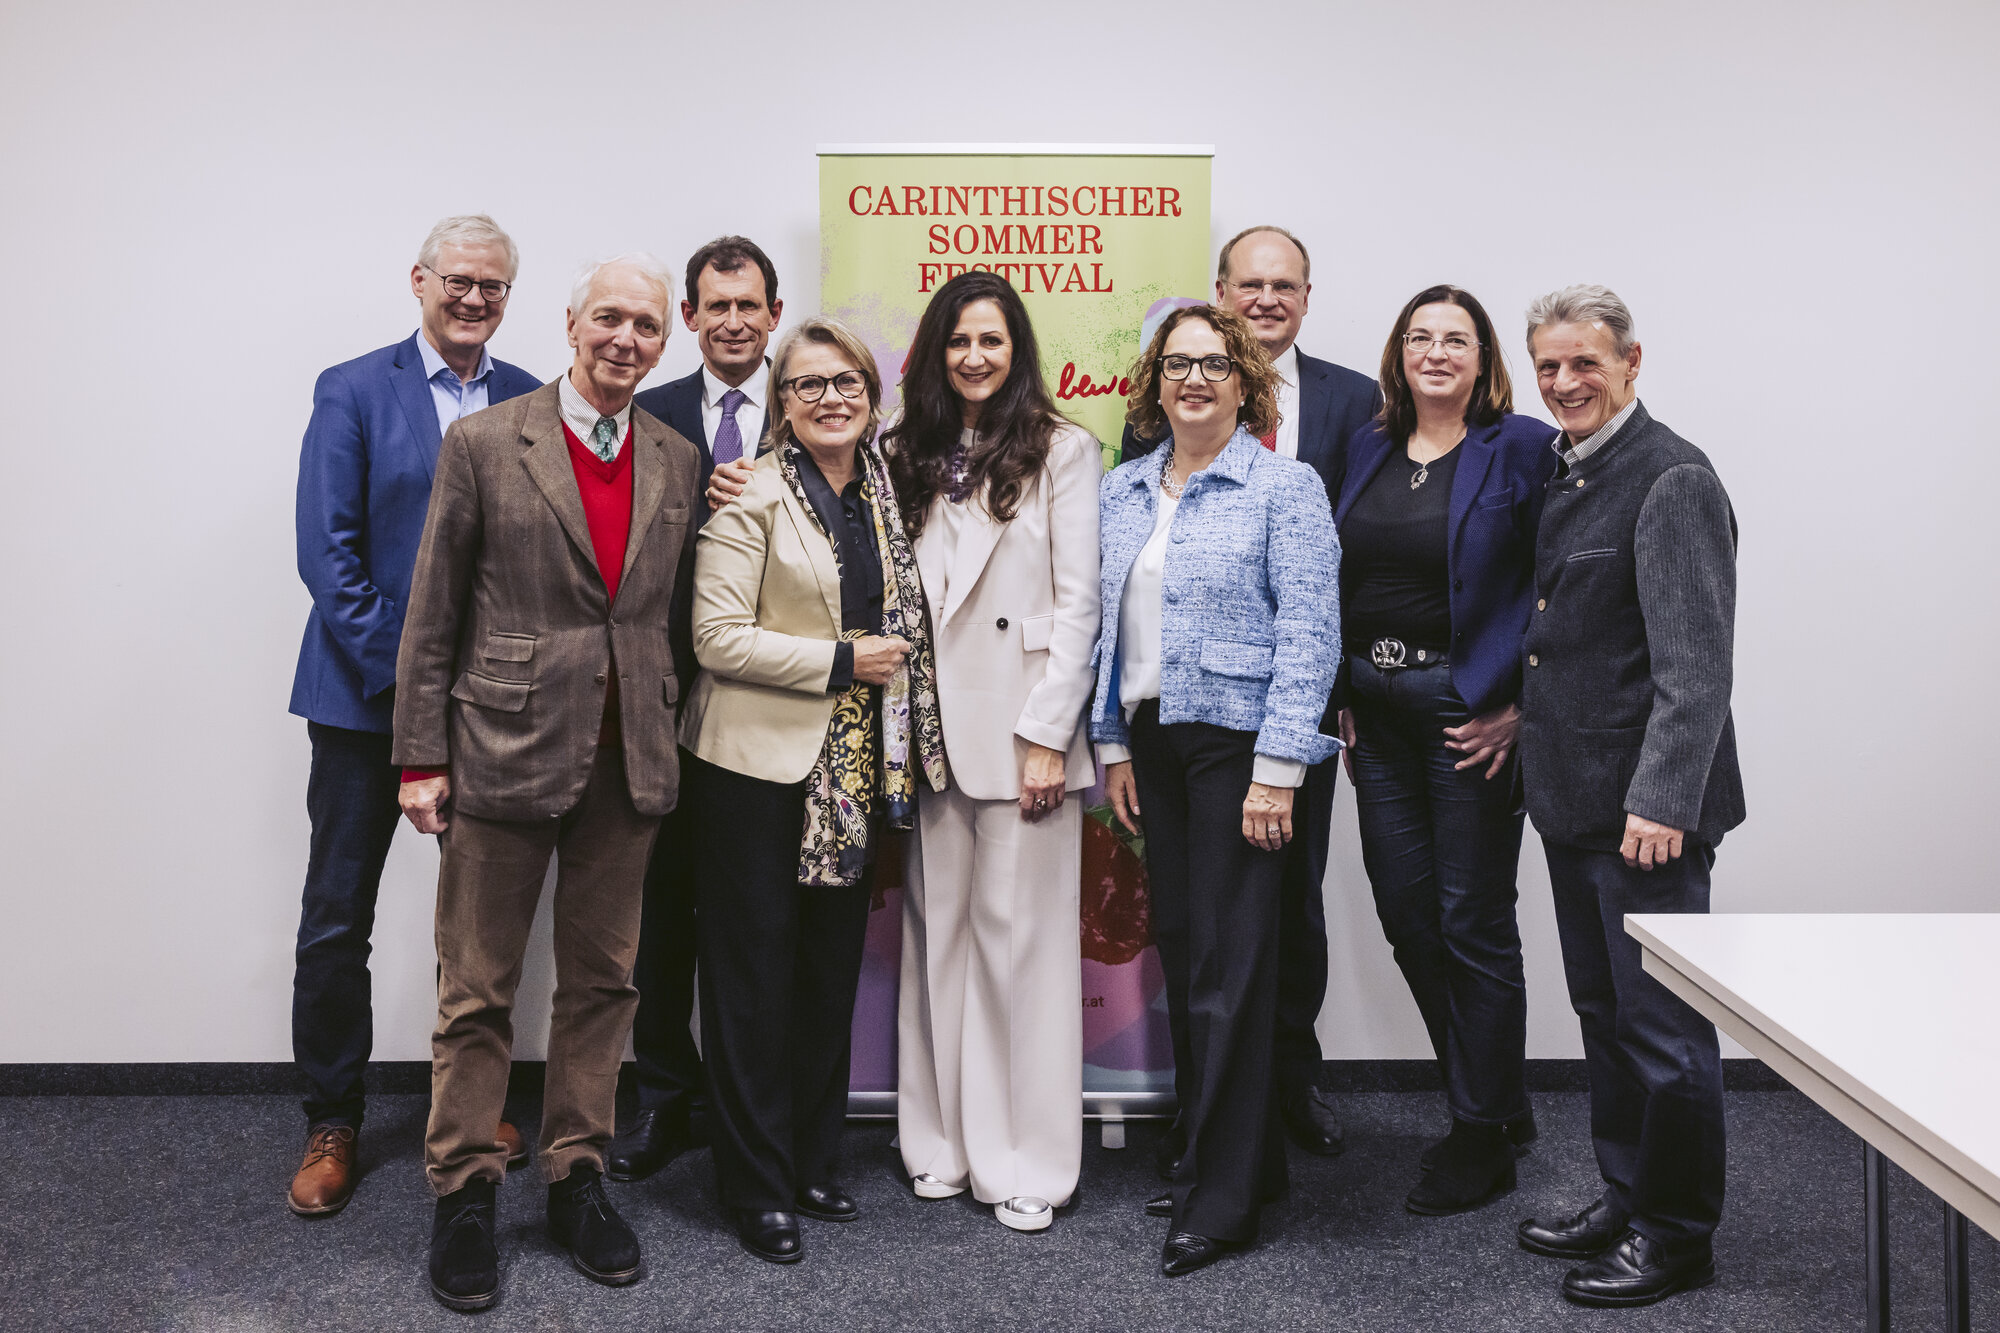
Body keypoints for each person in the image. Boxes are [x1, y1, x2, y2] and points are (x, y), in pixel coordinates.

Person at [393, 254, 702, 1310]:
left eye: (647, 326)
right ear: (571, 324)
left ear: (667, 341)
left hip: (631, 758)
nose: (626, 339)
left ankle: (578, 1173)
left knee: (604, 984)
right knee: (477, 990)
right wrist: (420, 756)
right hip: (502, 749)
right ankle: (465, 1190)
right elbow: (433, 611)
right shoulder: (486, 441)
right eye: (608, 318)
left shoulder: (676, 454)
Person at [285, 214, 540, 1218]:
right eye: (457, 281)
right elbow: (327, 556)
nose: (472, 298)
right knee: (337, 914)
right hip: (361, 702)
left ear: (508, 297)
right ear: (419, 281)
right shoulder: (352, 390)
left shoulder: (529, 397)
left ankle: (466, 1102)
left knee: (476, 925)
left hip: (491, 710)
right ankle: (332, 1115)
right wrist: (411, 682)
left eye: (491, 285)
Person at [679, 316, 947, 1265]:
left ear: (873, 396)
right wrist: (840, 660)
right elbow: (716, 638)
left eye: (848, 382)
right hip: (754, 769)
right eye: (808, 385)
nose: (831, 398)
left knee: (828, 970)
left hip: (854, 771)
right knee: (751, 978)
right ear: (781, 405)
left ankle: (811, 1157)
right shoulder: (749, 491)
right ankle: (753, 1184)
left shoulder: (889, 490)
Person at [1094, 305, 1340, 1276]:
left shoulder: (1284, 487)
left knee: (1232, 973)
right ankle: (1215, 1155)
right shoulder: (1120, 492)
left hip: (1242, 752)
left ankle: (1224, 1199)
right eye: (1176, 364)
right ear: (1154, 384)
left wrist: (1278, 770)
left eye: (1212, 363)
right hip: (1153, 743)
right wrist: (1110, 744)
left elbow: (1309, 635)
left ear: (1244, 381)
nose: (1193, 378)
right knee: (1188, 952)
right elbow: (1108, 634)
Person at [1513, 285, 1743, 1309]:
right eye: (1547, 366)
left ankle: (1675, 1235)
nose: (1562, 383)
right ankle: (1625, 1193)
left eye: (1582, 364)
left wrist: (1660, 803)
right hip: (1572, 800)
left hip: (1643, 818)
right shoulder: (1571, 471)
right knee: (1602, 1015)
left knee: (1662, 1032)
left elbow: (1694, 671)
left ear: (1630, 360)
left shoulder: (1670, 477)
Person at [1125, 226, 1376, 1164]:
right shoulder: (1138, 466)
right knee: (1198, 936)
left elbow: (1336, 585)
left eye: (1286, 285)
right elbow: (1132, 587)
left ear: (1305, 297)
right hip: (1169, 724)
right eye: (1250, 284)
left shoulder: (1353, 408)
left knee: (1284, 914)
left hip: (1289, 721)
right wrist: (1114, 737)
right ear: (1222, 291)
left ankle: (1280, 1093)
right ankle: (1219, 1130)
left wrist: (1306, 724)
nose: (1267, 299)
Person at [882, 271, 1101, 1233]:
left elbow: (1080, 602)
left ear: (1018, 353)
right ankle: (938, 1141)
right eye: (959, 341)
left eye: (993, 341)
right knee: (937, 946)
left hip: (1022, 739)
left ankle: (1029, 1159)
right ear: (935, 352)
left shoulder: (1063, 449)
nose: (975, 356)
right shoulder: (904, 452)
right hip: (929, 732)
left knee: (1024, 953)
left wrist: (1047, 737)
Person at [1334, 286, 1557, 1216]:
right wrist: (1339, 688)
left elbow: (1562, 587)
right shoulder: (1369, 445)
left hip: (1466, 713)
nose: (1435, 351)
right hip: (1374, 714)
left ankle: (1479, 1133)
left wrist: (1520, 708)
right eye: (1419, 336)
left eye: (1455, 338)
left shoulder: (1526, 448)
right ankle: (1497, 1096)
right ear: (1400, 351)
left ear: (1482, 357)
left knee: (1471, 921)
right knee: (1407, 915)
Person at [609, 236, 783, 1182]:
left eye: (747, 304)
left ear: (774, 313)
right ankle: (666, 1096)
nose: (732, 321)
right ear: (689, 318)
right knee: (661, 917)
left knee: (754, 920)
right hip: (665, 709)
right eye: (714, 306)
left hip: (775, 710)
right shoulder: (649, 414)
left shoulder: (815, 409)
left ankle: (748, 1104)